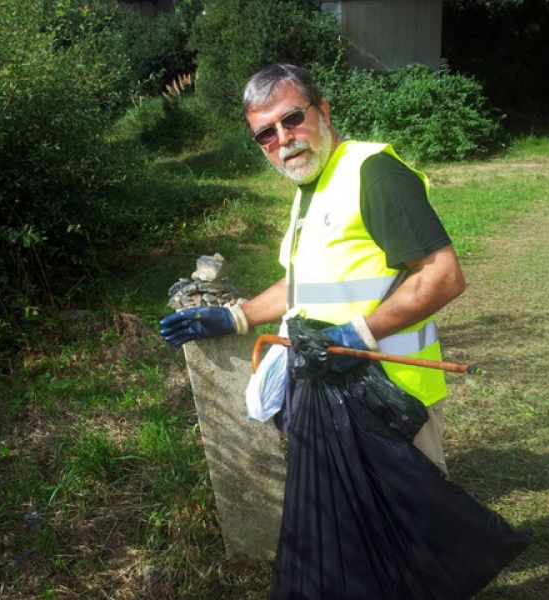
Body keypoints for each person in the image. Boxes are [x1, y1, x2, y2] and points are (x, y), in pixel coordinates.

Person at [160, 63, 466, 474]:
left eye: (291, 119)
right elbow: (303, 285)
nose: (283, 138)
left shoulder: (373, 173)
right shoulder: (312, 188)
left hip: (396, 395)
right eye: (266, 133)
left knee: (413, 532)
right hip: (338, 394)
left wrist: (358, 334)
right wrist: (237, 316)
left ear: (322, 110)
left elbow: (442, 276)